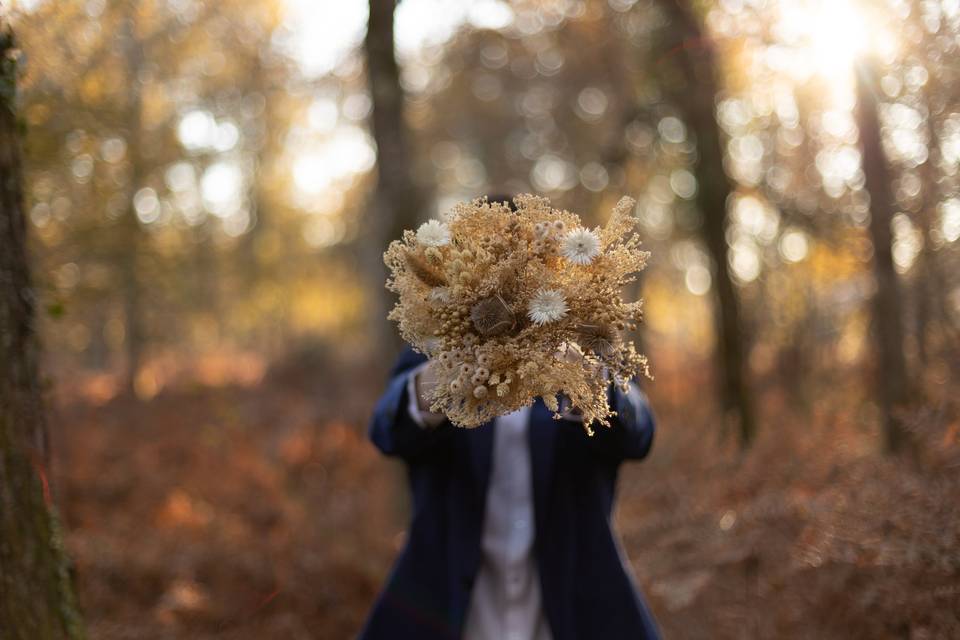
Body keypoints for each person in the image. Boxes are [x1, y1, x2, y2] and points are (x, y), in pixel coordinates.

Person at [359, 345, 661, 640]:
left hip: (575, 606)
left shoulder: (588, 334)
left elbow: (638, 432)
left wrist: (587, 380)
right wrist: (445, 375)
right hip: (446, 606)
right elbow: (388, 429)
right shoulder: (439, 336)